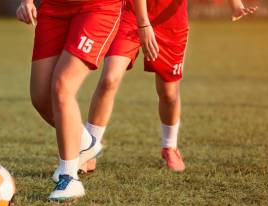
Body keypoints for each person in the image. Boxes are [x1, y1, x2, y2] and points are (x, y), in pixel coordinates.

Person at [82, 0, 257, 173]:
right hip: (132, 15)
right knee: (109, 79)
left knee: (169, 93)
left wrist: (235, 5)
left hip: (171, 22)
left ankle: (170, 147)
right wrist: (143, 24)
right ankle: (89, 150)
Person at [16, 0, 123, 201]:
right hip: (53, 8)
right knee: (40, 97)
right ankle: (86, 142)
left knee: (62, 85)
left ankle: (69, 177)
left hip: (98, 8)